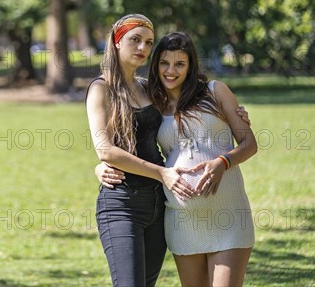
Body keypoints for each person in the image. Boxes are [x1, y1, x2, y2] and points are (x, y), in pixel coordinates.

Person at [86, 15, 250, 287]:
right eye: (134, 40)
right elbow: (105, 149)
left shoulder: (151, 90)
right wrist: (158, 172)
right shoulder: (101, 89)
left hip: (159, 205)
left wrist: (235, 113)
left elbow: (188, 103)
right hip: (123, 203)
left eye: (148, 42)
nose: (142, 48)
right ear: (116, 41)